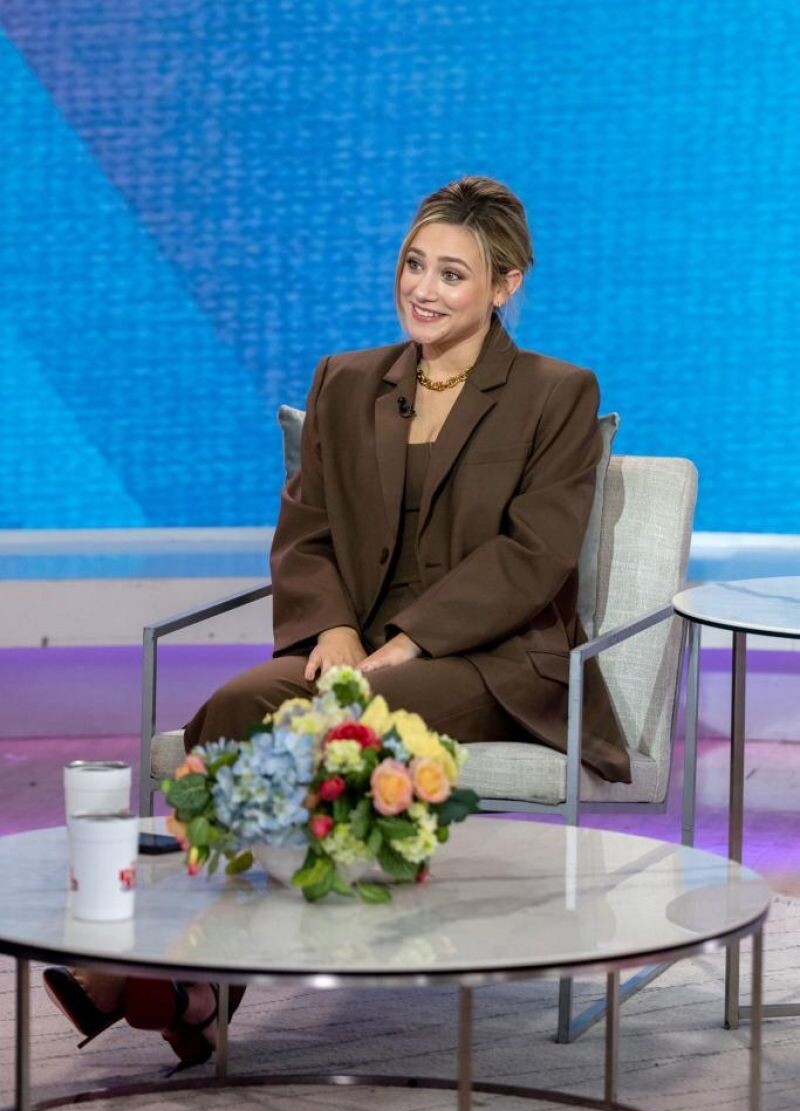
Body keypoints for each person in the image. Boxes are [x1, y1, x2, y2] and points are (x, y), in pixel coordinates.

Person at [44, 175, 630, 1065]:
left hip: (493, 658)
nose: (422, 289)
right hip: (352, 644)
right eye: (413, 264)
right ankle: (199, 976)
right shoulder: (347, 381)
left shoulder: (557, 393)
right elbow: (307, 530)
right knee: (239, 705)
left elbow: (533, 554)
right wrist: (332, 629)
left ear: (506, 285)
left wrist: (410, 640)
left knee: (336, 722)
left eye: (452, 274)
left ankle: (159, 974)